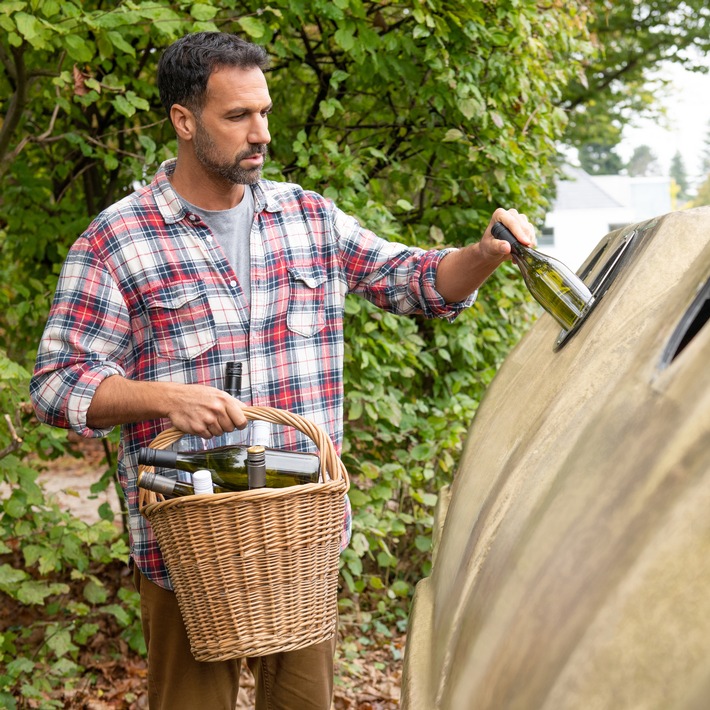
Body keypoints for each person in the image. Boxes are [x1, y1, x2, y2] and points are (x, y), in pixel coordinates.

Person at [30, 31, 535, 710]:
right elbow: (57, 382)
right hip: (187, 549)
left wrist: (484, 252)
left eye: (264, 112)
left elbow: (415, 280)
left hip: (298, 541)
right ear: (185, 121)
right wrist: (164, 398)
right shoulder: (118, 239)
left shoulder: (308, 218)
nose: (260, 132)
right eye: (238, 116)